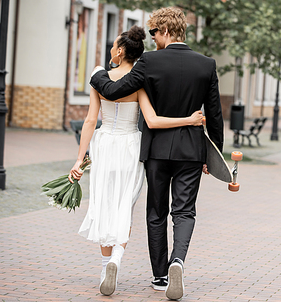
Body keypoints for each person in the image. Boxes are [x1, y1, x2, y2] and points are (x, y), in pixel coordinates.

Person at [89, 7, 223, 300]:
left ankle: (161, 277)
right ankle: (178, 261)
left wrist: (97, 75)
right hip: (191, 150)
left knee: (156, 212)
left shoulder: (149, 61)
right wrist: (216, 157)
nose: (152, 40)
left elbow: (114, 90)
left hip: (157, 151)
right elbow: (215, 116)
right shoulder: (206, 64)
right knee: (185, 211)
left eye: (153, 34)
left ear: (164, 31)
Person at [68, 25, 204, 296]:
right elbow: (152, 121)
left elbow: (90, 120)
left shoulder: (100, 78)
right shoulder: (140, 84)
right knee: (123, 208)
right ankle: (117, 259)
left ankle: (107, 264)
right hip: (131, 147)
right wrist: (189, 120)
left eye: (113, 45)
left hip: (104, 145)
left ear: (120, 50)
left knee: (104, 204)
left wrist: (79, 159)